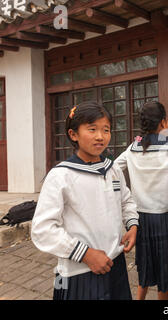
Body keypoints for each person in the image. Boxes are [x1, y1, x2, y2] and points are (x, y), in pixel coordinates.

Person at [31, 101, 138, 300]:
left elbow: (126, 201)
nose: (100, 136)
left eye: (106, 130)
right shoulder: (61, 176)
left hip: (116, 264)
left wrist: (132, 225)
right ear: (73, 134)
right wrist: (86, 254)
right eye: (92, 129)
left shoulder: (112, 169)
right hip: (79, 273)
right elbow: (43, 229)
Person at [115, 101, 168, 300]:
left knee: (146, 266)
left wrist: (126, 195)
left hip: (140, 220)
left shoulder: (133, 147)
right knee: (165, 274)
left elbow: (113, 169)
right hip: (166, 219)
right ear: (164, 122)